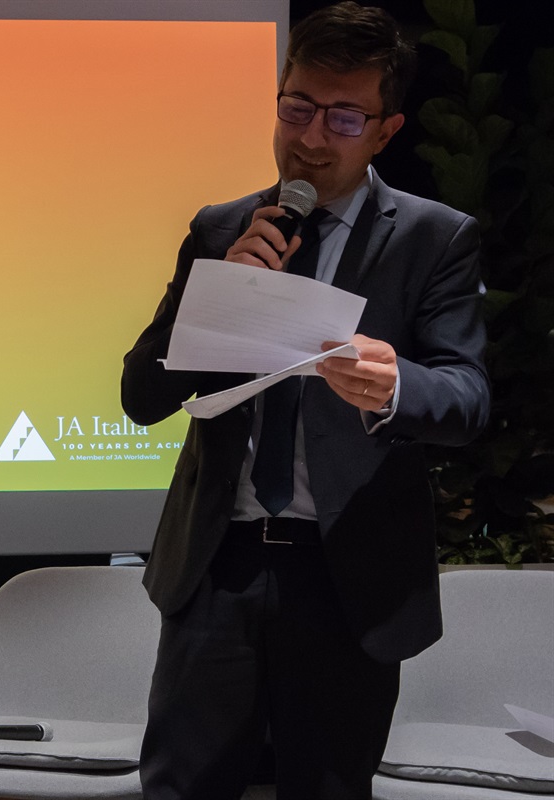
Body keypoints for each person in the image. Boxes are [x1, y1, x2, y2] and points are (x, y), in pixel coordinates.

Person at [120, 3, 491, 799]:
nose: (312, 138)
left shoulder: (433, 238)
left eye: (344, 118)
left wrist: (396, 385)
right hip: (217, 564)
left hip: (345, 574)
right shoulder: (221, 229)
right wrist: (216, 297)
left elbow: (466, 398)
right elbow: (141, 396)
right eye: (298, 108)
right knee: (181, 787)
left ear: (385, 132)